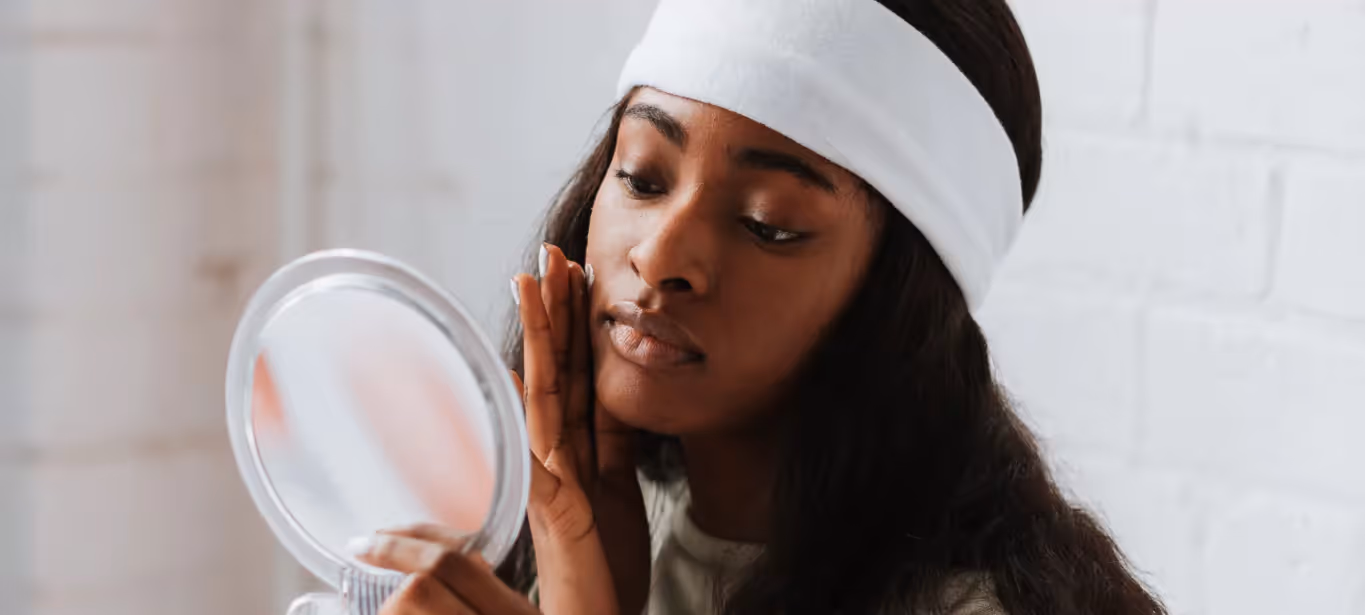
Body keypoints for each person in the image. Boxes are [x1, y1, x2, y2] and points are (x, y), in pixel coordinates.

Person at [347, 0, 1169, 613]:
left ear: (896, 299)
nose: (661, 257)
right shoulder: (586, 523)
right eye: (641, 175)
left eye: (767, 224)